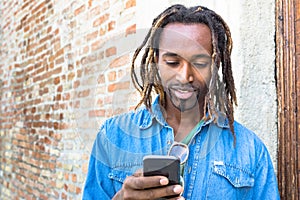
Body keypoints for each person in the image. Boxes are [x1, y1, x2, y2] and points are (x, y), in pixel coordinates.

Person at [83, 4, 280, 200]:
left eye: (200, 63)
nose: (185, 77)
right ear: (157, 60)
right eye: (172, 62)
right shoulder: (113, 136)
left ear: (215, 64)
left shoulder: (251, 150)